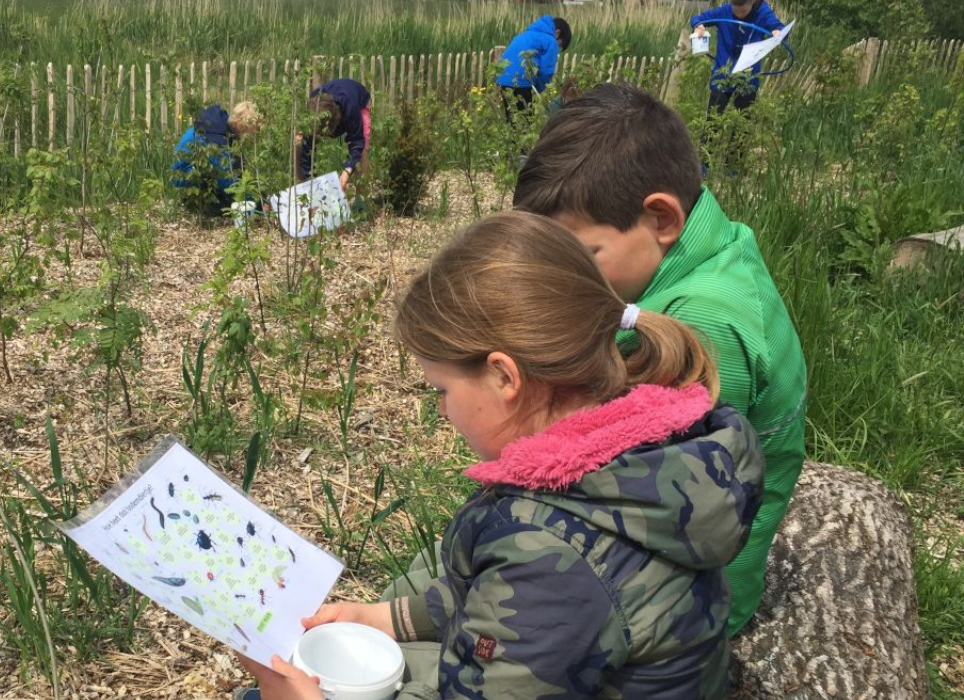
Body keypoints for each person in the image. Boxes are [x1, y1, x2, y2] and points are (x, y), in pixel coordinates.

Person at [234, 211, 765, 699]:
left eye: (441, 390)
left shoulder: (551, 553)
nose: (442, 411)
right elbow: (494, 601)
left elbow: (530, 599)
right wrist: (384, 618)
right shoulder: (637, 447)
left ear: (504, 376)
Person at [513, 82, 807, 636]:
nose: (567, 278)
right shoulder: (712, 245)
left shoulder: (702, 327)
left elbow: (631, 488)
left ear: (661, 219)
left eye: (583, 255)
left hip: (687, 603)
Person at [691, 0, 785, 114]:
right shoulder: (724, 11)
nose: (739, 14)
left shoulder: (762, 13)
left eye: (743, 10)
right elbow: (698, 18)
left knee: (743, 125)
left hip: (747, 80)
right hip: (722, 76)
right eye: (736, 9)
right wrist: (699, 26)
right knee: (712, 123)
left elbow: (778, 27)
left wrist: (777, 32)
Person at [171, 101, 262, 215]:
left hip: (194, 176)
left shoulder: (220, 126)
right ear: (243, 127)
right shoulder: (216, 137)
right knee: (228, 208)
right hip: (186, 183)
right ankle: (198, 208)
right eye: (251, 131)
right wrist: (256, 201)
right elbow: (224, 179)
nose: (252, 136)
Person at [296, 79, 370, 192]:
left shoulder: (351, 108)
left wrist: (347, 171)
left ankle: (361, 197)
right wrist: (310, 183)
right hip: (330, 104)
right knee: (300, 142)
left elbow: (357, 142)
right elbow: (306, 150)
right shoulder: (313, 108)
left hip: (359, 99)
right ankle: (304, 188)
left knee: (363, 146)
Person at [494, 15, 571, 123]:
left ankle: (511, 139)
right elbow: (546, 72)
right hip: (522, 82)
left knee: (512, 119)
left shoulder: (526, 34)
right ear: (557, 33)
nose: (557, 49)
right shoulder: (551, 41)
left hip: (502, 79)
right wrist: (538, 90)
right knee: (526, 122)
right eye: (560, 45)